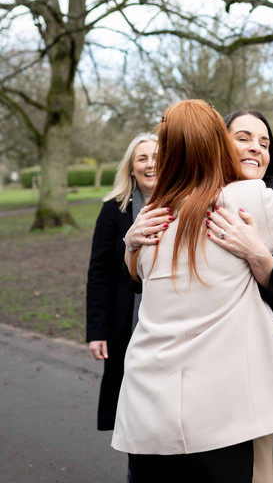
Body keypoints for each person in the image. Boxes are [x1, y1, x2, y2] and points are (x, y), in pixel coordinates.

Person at [112, 99, 273, 483]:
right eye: (242, 137)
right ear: (218, 144)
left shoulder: (159, 210)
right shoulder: (238, 201)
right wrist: (129, 244)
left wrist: (259, 254)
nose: (256, 146)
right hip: (224, 386)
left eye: (265, 141)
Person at [86, 132, 172, 433]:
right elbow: (99, 273)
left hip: (174, 323)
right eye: (142, 158)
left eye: (157, 157)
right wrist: (96, 331)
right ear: (131, 168)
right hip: (127, 323)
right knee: (133, 409)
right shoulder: (113, 210)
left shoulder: (184, 204)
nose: (151, 165)